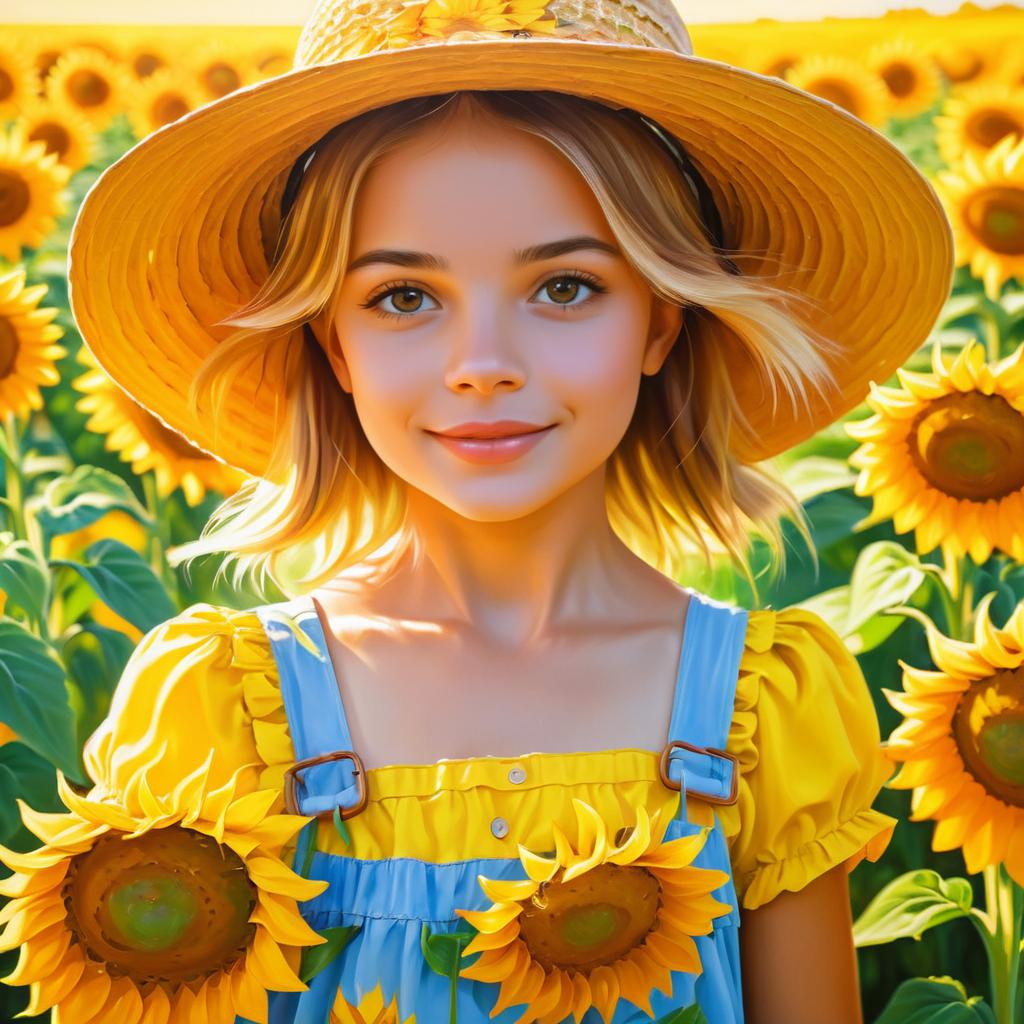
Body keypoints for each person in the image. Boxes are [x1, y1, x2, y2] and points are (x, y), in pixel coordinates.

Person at [0, 0, 954, 1022]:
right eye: (404, 298)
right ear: (334, 346)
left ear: (661, 322)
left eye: (566, 286)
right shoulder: (224, 714)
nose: (484, 367)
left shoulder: (762, 711)